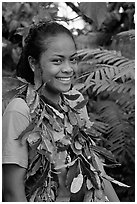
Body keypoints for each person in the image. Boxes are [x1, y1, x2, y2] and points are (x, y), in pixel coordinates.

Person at [2, 21, 120, 202]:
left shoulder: (76, 102)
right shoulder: (20, 110)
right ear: (33, 63)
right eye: (57, 61)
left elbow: (95, 169)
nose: (68, 69)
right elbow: (12, 192)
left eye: (72, 59)